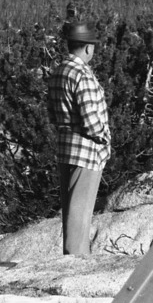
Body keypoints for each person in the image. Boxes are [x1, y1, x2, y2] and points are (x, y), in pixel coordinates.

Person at [48, 20, 111, 255]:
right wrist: (103, 137)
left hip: (65, 146)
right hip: (86, 150)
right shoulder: (81, 74)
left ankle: (73, 258)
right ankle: (76, 262)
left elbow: (52, 113)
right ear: (88, 48)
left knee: (70, 209)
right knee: (80, 212)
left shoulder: (58, 71)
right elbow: (90, 118)